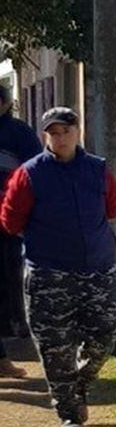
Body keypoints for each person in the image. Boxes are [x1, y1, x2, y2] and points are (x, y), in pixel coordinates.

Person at [0, 107, 116, 427]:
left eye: (66, 130)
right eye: (53, 132)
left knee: (107, 332)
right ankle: (69, 412)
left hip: (97, 268)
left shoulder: (97, 170)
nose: (60, 137)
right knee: (55, 347)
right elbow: (10, 221)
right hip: (48, 273)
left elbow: (112, 207)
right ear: (45, 136)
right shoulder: (29, 174)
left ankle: (78, 383)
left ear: (78, 131)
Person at [0, 84, 41, 378]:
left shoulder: (17, 133)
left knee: (7, 277)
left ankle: (15, 325)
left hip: (6, 220)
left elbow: (35, 171)